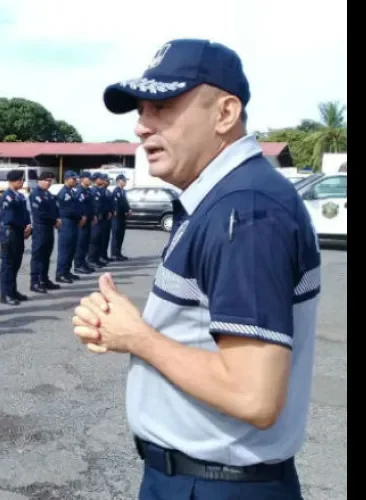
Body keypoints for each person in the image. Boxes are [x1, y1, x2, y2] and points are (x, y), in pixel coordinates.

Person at [72, 39, 320, 500]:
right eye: (141, 110)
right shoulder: (221, 197)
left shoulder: (244, 211)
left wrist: (137, 337)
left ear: (225, 113)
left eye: (163, 106)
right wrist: (119, 326)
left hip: (215, 485)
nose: (142, 127)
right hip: (198, 479)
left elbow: (253, 396)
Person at [0, 169, 31, 305]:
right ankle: (5, 294)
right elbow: (10, 218)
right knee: (8, 264)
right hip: (10, 233)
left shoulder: (19, 196)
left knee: (16, 263)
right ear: (13, 181)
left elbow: (25, 214)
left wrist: (28, 225)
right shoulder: (7, 196)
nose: (22, 182)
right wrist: (23, 226)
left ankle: (12, 290)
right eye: (21, 180)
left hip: (18, 232)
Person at [28, 172, 60, 293]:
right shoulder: (36, 194)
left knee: (46, 255)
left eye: (50, 180)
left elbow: (56, 209)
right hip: (40, 227)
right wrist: (54, 219)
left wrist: (58, 218)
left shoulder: (49, 194)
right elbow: (39, 213)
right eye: (46, 180)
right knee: (37, 256)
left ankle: (44, 279)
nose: (49, 183)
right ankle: (34, 282)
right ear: (39, 181)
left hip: (49, 228)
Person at [55, 170, 82, 283]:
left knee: (71, 249)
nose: (75, 181)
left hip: (73, 222)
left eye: (76, 179)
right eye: (73, 179)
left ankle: (66, 271)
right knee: (65, 249)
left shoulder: (71, 191)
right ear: (66, 179)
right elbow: (68, 210)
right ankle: (60, 273)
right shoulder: (64, 193)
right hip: (67, 222)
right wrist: (78, 216)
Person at [73, 171, 96, 275]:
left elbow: (90, 205)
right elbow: (78, 206)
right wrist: (82, 216)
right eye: (88, 178)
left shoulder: (88, 191)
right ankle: (78, 265)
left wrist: (93, 215)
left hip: (89, 220)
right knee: (80, 243)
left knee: (86, 243)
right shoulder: (79, 191)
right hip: (82, 221)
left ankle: (83, 262)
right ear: (82, 179)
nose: (90, 180)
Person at [110, 174, 131, 261]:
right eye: (124, 180)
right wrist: (115, 211)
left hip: (122, 216)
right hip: (117, 216)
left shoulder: (123, 191)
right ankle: (114, 254)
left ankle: (118, 252)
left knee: (121, 235)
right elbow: (115, 204)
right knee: (116, 235)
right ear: (119, 181)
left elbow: (124, 203)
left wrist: (128, 209)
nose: (125, 182)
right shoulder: (116, 191)